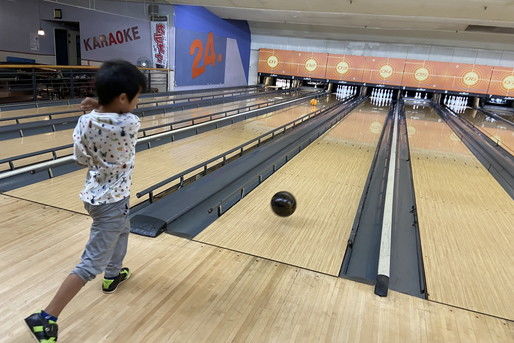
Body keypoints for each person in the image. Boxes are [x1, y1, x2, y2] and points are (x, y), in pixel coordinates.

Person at [24, 60, 146, 343]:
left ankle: (113, 274)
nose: (138, 104)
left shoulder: (85, 120)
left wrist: (97, 106)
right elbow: (125, 113)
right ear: (123, 98)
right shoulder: (130, 123)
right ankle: (46, 317)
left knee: (123, 229)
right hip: (113, 202)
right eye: (137, 97)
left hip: (93, 194)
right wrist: (100, 104)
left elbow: (80, 158)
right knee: (90, 264)